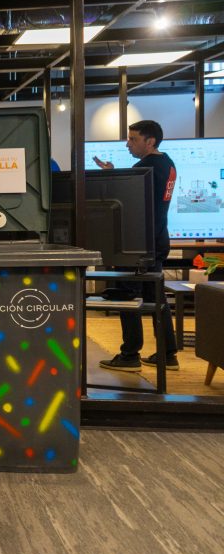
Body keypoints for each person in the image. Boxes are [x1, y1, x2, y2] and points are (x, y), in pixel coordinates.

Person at [94, 120, 179, 372]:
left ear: (150, 141)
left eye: (133, 139)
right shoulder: (167, 163)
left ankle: (130, 355)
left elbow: (126, 204)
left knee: (127, 298)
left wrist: (109, 177)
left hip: (136, 245)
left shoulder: (144, 168)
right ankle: (168, 354)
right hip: (157, 240)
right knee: (156, 298)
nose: (128, 144)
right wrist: (116, 172)